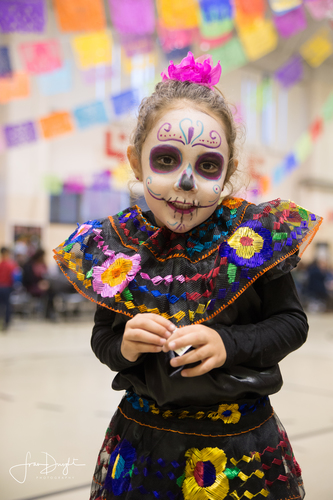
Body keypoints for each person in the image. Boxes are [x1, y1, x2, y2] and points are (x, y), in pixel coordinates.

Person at [54, 53, 322, 500]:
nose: (185, 181)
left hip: (240, 447)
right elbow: (103, 337)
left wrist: (228, 344)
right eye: (165, 159)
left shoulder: (252, 237)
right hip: (143, 441)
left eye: (207, 166)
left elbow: (292, 323)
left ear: (229, 171)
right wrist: (123, 346)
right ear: (136, 163)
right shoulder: (119, 245)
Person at [0, 247, 17, 331]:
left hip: (1, 287)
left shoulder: (2, 264)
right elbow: (15, 277)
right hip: (7, 287)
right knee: (7, 305)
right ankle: (6, 322)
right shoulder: (11, 265)